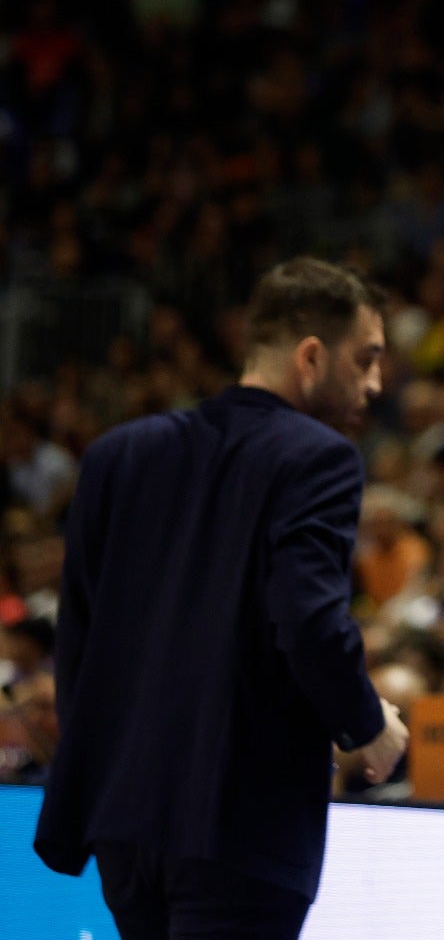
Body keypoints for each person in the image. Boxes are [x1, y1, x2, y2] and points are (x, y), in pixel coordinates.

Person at [33, 257, 410, 938]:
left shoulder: (118, 453)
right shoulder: (318, 457)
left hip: (122, 820)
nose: (376, 383)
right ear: (312, 356)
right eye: (367, 359)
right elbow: (308, 618)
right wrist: (365, 724)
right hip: (239, 824)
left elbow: (78, 641)